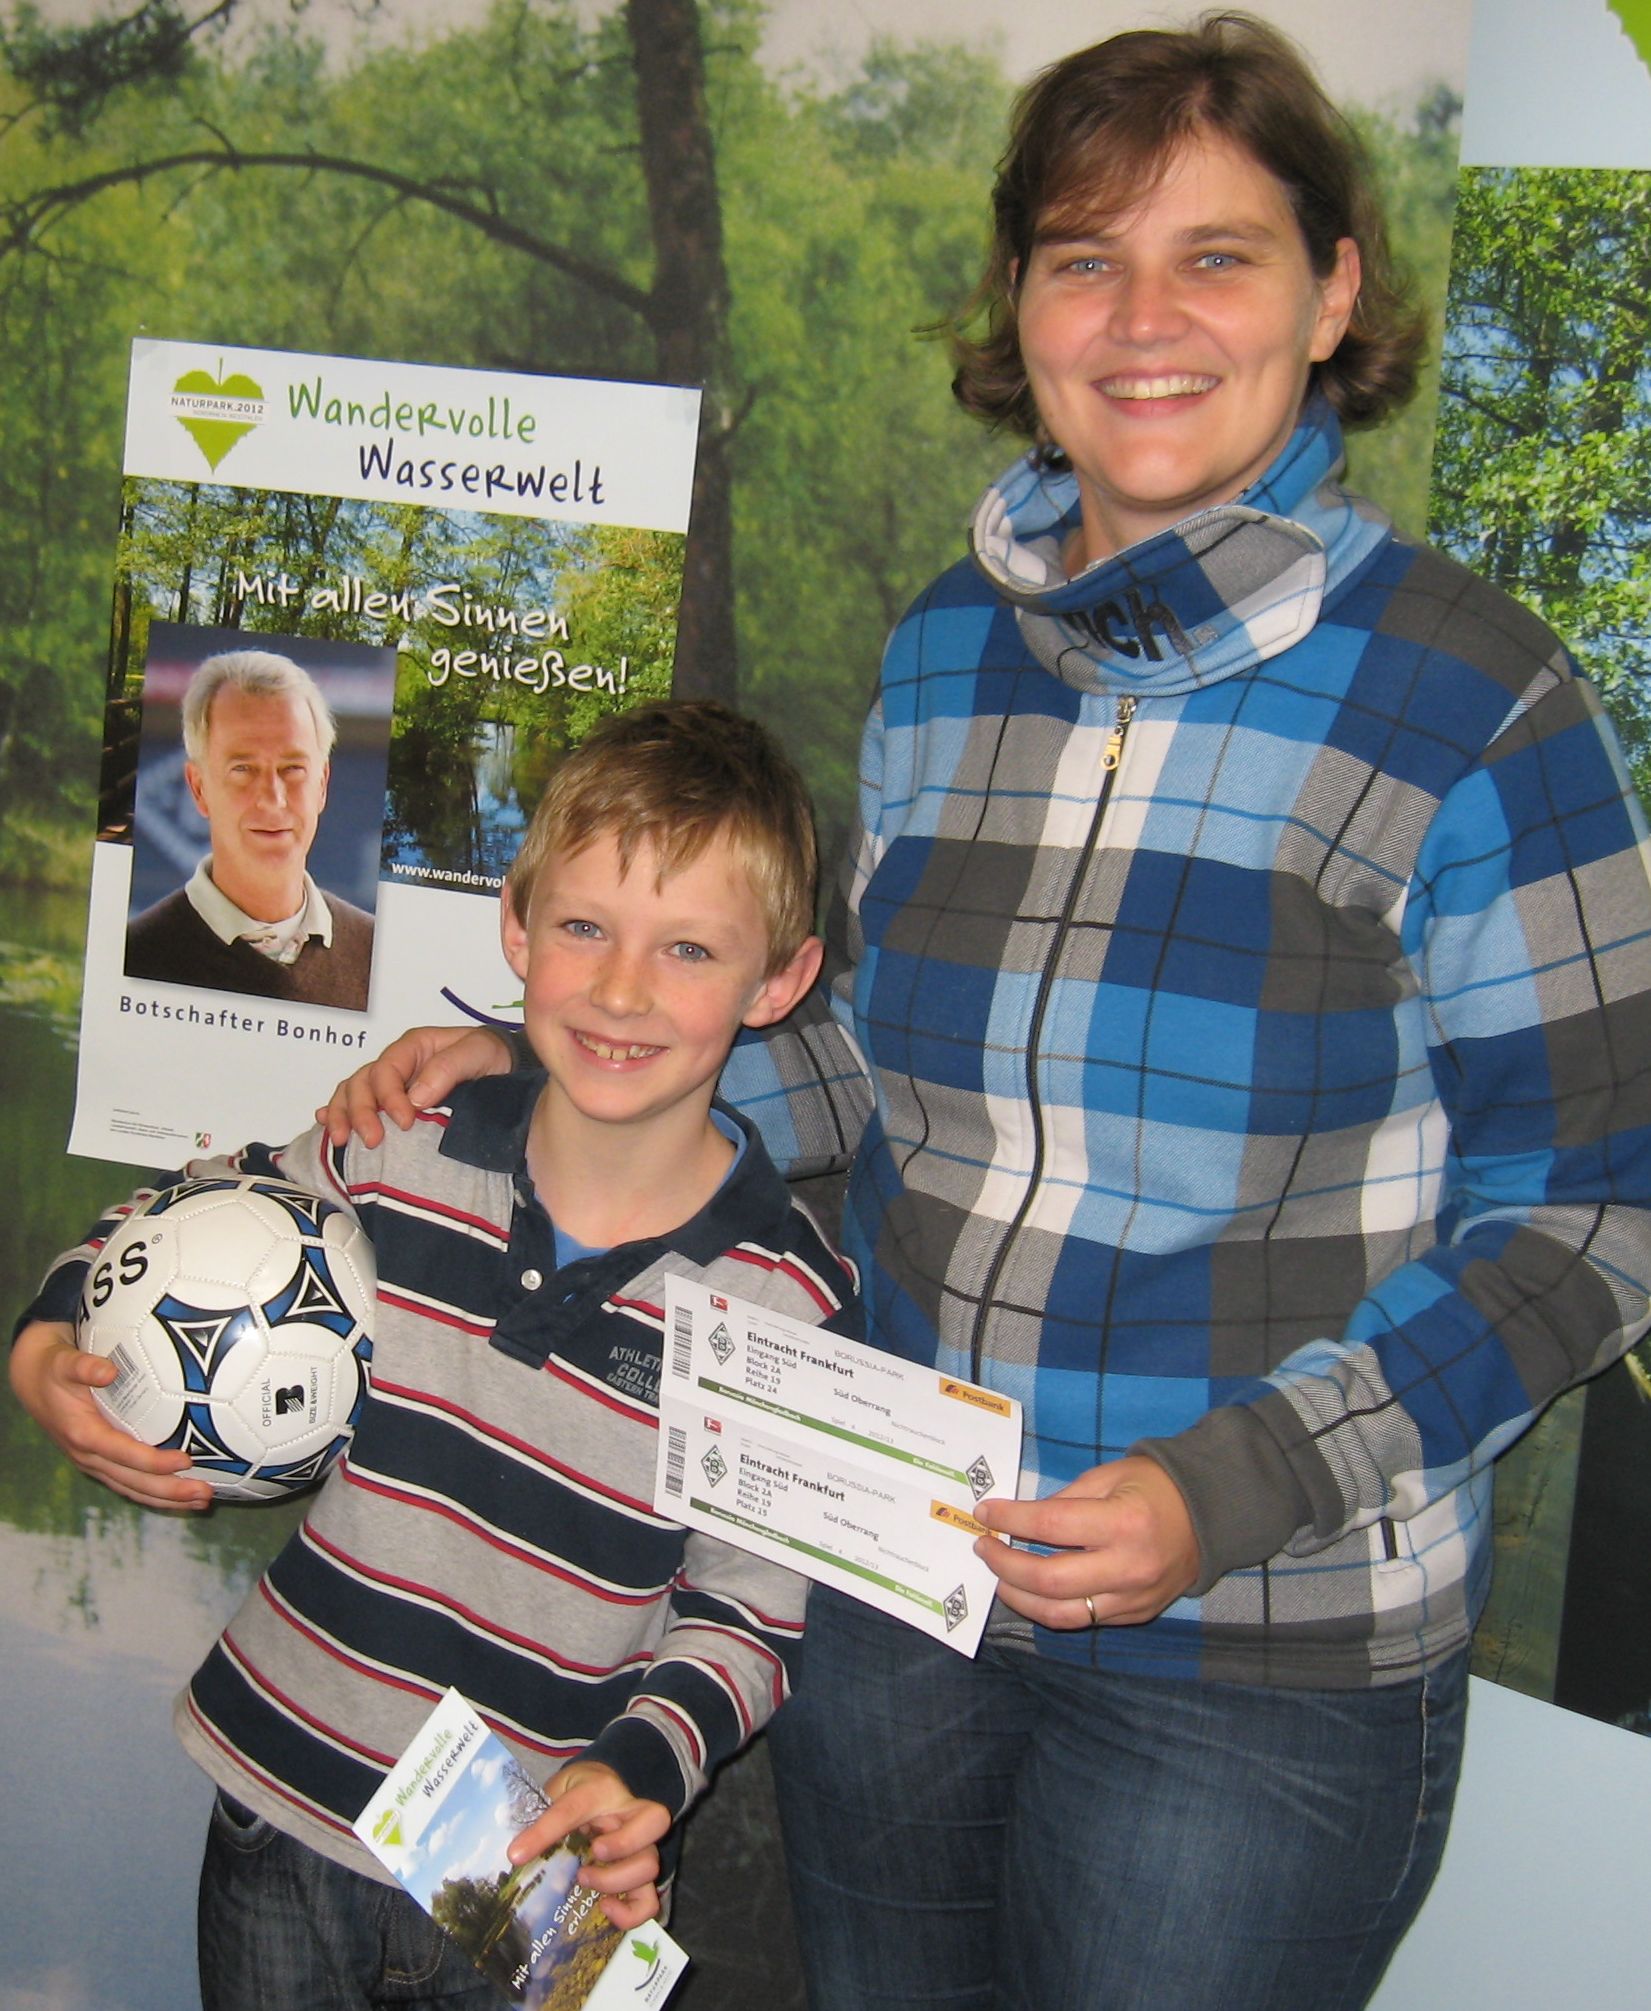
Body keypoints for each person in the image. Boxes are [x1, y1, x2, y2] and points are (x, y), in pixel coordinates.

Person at [318, 14, 1651, 2010]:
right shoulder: (947, 650)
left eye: (1217, 256)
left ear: (1331, 294)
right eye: (1083, 258)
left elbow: (1587, 1220)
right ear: (1018, 303)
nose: (1144, 318)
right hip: (891, 1581)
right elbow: (880, 1068)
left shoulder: (1476, 699)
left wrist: (1227, 1488)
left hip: (1254, 1661)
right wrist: (576, 1055)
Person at [12, 700, 859, 2009]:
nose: (622, 988)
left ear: (778, 983)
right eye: (582, 927)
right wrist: (49, 1336)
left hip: (531, 1869)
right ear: (514, 927)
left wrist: (639, 1766)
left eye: (688, 947)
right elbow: (188, 1215)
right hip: (280, 1793)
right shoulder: (399, 1141)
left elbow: (748, 1609)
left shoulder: (786, 1297)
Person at [125, 648, 376, 1010]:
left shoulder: (375, 954)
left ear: (322, 785)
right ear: (199, 789)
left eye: (293, 769)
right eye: (243, 769)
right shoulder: (133, 955)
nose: (273, 799)